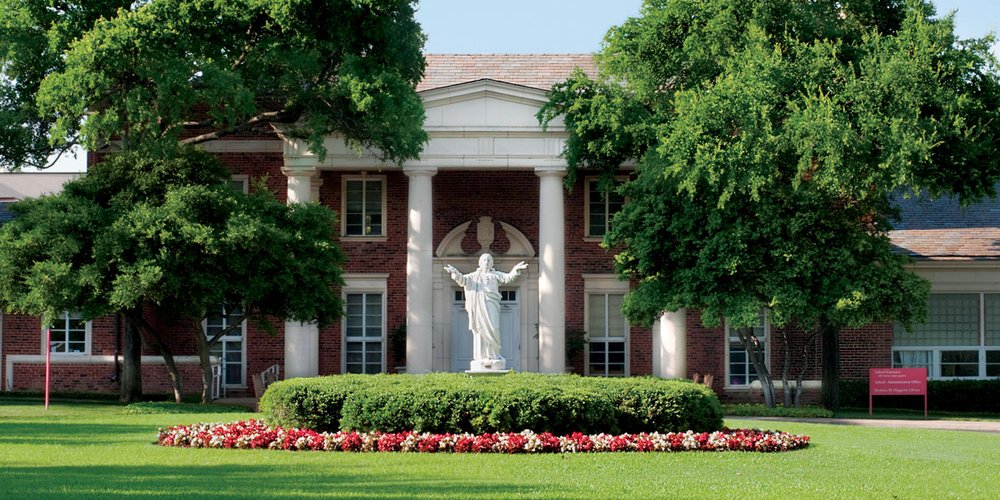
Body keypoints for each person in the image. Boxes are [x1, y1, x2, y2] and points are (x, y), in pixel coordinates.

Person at [444, 253, 528, 370]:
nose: (487, 262)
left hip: (492, 304)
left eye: (489, 260)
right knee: (480, 330)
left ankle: (494, 355)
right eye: (484, 260)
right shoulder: (473, 276)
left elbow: (508, 278)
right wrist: (455, 273)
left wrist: (515, 270)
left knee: (494, 328)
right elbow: (463, 280)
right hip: (479, 307)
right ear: (480, 263)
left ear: (492, 263)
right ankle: (481, 357)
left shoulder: (495, 275)